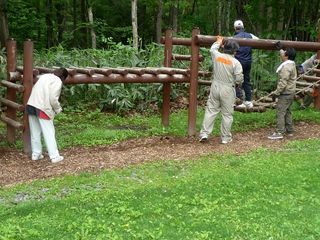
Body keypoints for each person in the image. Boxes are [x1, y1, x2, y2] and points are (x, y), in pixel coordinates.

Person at [199, 36, 243, 144]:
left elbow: (212, 49)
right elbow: (239, 79)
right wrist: (237, 84)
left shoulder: (217, 56)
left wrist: (218, 42)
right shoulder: (235, 62)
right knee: (227, 114)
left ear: (224, 47)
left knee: (211, 110)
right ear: (235, 51)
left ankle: (204, 134)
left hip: (215, 86)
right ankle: (225, 138)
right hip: (228, 88)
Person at [26, 68, 69, 163]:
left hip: (31, 105)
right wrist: (58, 109)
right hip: (42, 107)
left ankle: (36, 154)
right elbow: (53, 98)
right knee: (49, 131)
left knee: (35, 131)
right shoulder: (57, 81)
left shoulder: (44, 76)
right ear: (63, 77)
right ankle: (54, 156)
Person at [268, 48, 297, 140]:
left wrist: (276, 92)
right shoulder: (291, 64)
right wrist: (280, 48)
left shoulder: (286, 67)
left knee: (280, 112)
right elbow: (282, 53)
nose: (282, 54)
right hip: (290, 92)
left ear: (286, 56)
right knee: (287, 111)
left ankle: (279, 132)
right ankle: (290, 130)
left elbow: (283, 82)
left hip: (285, 93)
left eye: (284, 53)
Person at [233, 20, 259, 108]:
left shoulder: (234, 37)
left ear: (235, 28)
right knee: (246, 81)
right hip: (248, 62)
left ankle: (238, 100)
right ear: (243, 27)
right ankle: (248, 101)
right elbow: (259, 40)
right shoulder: (250, 35)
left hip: (238, 63)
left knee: (235, 81)